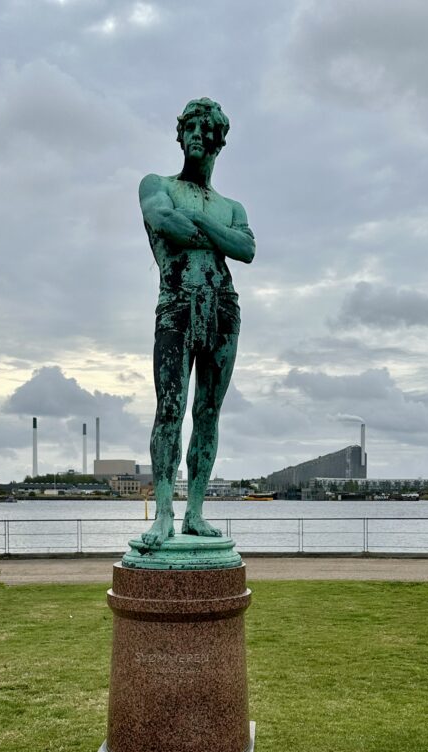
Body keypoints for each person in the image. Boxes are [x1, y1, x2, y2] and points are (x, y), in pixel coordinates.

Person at [138, 97, 255, 549]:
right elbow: (166, 223)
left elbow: (247, 250)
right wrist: (218, 236)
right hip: (176, 303)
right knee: (169, 409)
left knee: (208, 412)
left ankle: (195, 513)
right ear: (180, 134)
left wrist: (201, 220)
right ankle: (164, 514)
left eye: (207, 131)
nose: (198, 137)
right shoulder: (157, 184)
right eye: (191, 129)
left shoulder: (232, 205)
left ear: (219, 142)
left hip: (223, 308)